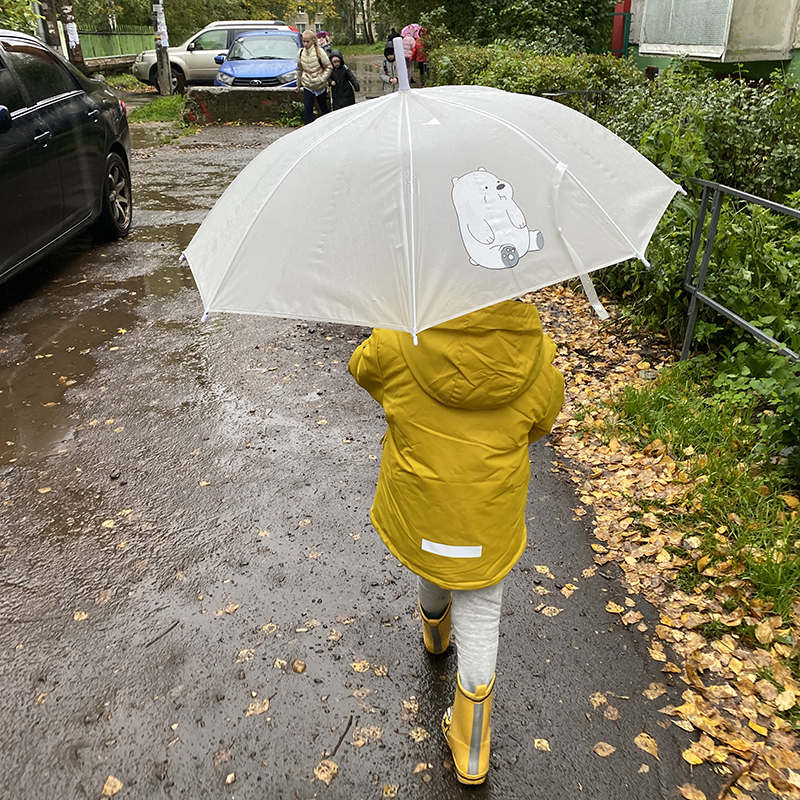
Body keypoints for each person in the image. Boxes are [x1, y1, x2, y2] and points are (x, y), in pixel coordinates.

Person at [348, 300, 565, 785]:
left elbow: (360, 368)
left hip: (424, 504)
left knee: (434, 552)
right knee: (482, 604)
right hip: (488, 517)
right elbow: (541, 424)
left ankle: (434, 634)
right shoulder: (534, 358)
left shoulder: (398, 338)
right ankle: (471, 745)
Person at [296, 29, 332, 125]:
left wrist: (322, 79)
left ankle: (329, 124)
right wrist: (298, 84)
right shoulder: (300, 53)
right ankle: (307, 128)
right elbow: (299, 69)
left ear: (313, 41)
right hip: (308, 84)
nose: (305, 44)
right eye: (303, 41)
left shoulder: (320, 52)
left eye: (307, 41)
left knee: (323, 107)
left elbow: (329, 67)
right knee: (308, 108)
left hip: (319, 85)